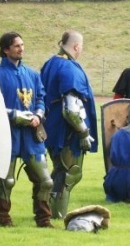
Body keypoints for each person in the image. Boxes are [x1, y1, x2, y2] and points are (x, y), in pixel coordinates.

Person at [0, 32, 55, 228]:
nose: (21, 48)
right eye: (16, 46)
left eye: (22, 45)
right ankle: (3, 218)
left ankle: (44, 219)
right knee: (6, 180)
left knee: (46, 181)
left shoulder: (33, 74)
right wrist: (15, 116)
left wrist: (38, 115)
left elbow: (40, 99)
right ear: (5, 50)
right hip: (7, 133)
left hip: (32, 135)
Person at [41, 30, 98, 219]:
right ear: (76, 46)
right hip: (67, 132)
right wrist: (82, 132)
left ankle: (46, 210)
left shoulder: (50, 63)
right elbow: (71, 109)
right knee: (70, 174)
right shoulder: (69, 68)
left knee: (59, 171)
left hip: (52, 128)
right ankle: (57, 214)